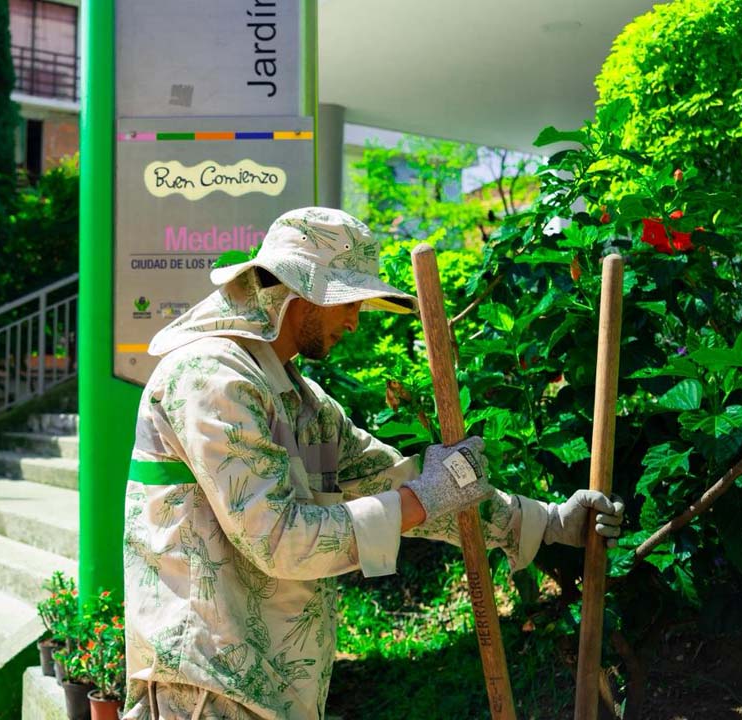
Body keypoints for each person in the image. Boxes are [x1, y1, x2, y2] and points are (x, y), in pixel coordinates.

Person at [122, 207, 624, 720]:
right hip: (207, 692)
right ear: (299, 291)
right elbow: (278, 539)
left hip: (270, 688)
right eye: (347, 302)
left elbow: (401, 480)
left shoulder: (300, 402)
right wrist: (418, 501)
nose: (355, 320)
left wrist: (550, 521)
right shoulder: (209, 378)